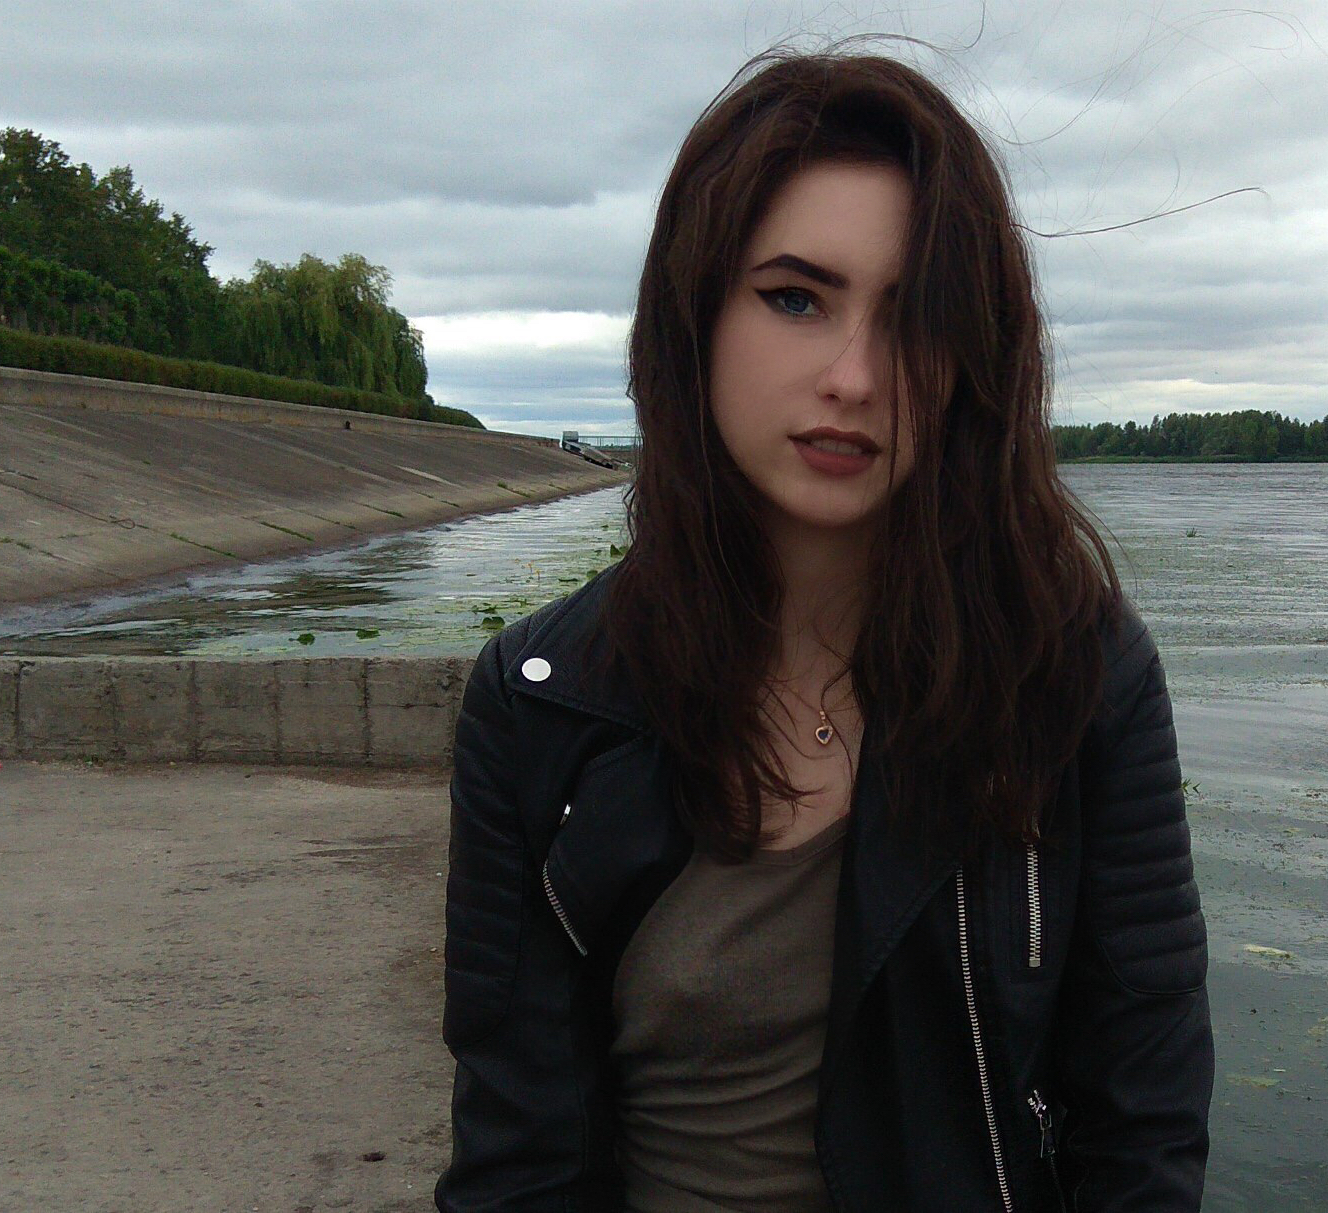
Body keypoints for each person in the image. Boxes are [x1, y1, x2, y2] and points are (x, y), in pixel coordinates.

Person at [437, 47, 1212, 1213]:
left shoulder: (1074, 678)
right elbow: (519, 1161)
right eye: (795, 298)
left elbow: (1140, 1127)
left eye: (915, 319)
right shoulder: (539, 701)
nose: (855, 377)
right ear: (694, 316)